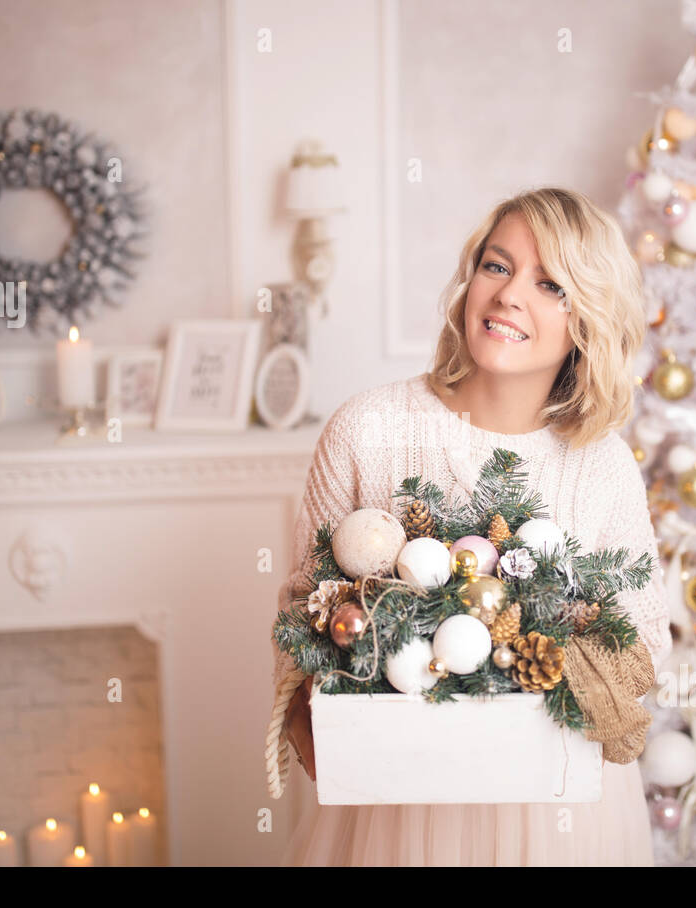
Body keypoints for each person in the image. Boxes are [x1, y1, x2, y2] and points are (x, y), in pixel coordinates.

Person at [272, 186, 673, 865]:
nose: (511, 295)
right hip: (400, 812)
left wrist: (538, 657)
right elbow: (300, 615)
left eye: (551, 284)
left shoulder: (601, 465)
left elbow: (646, 646)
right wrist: (317, 714)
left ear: (588, 320)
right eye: (497, 265)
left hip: (563, 814)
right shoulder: (368, 429)